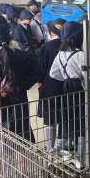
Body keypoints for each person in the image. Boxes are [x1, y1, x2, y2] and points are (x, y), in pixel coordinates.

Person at [0, 20, 41, 141]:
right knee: (20, 136)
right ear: (10, 40)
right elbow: (37, 72)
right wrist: (20, 86)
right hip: (18, 103)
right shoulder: (23, 56)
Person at [50, 22, 90, 161]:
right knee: (82, 120)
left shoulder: (61, 53)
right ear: (77, 37)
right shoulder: (80, 55)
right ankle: (81, 155)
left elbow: (53, 73)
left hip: (66, 87)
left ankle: (58, 151)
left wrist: (66, 77)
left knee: (67, 118)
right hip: (79, 88)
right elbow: (87, 76)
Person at [37, 19, 66, 151]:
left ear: (50, 32)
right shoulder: (70, 45)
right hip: (67, 86)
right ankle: (63, 146)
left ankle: (50, 148)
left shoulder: (46, 47)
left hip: (49, 87)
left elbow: (39, 69)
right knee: (66, 115)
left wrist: (40, 82)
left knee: (50, 118)